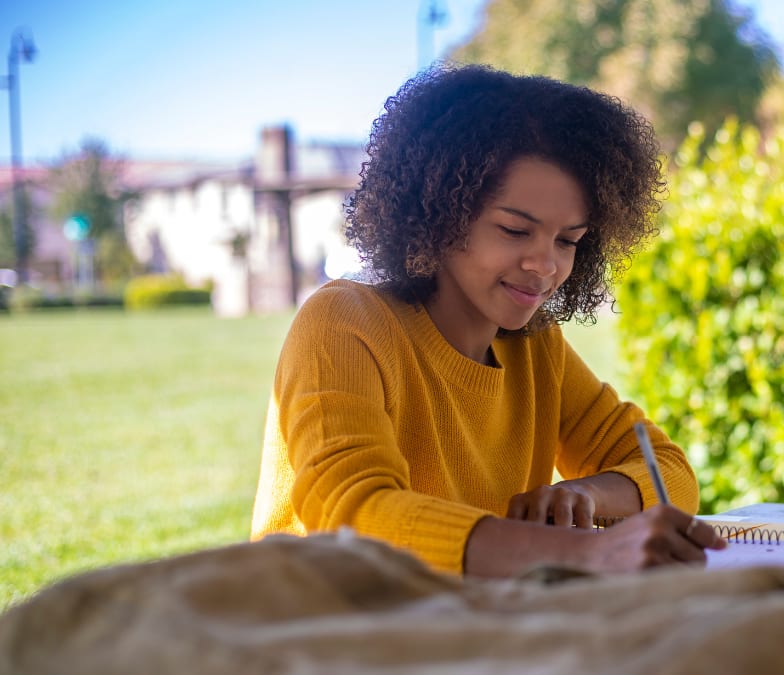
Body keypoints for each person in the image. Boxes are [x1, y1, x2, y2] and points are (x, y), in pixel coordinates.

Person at [250, 64, 725, 577]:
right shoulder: (344, 324)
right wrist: (585, 552)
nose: (546, 265)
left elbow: (671, 472)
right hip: (317, 632)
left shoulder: (535, 346)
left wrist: (583, 494)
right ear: (439, 213)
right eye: (515, 230)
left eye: (568, 240)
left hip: (460, 632)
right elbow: (353, 516)